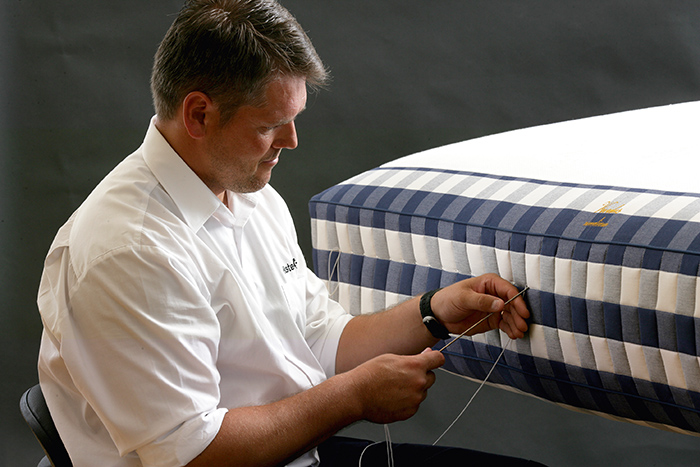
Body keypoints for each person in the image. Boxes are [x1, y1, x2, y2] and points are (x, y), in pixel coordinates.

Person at [36, 1, 544, 466]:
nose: (292, 140)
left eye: (294, 118)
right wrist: (354, 397)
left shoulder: (250, 194)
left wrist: (434, 313)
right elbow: (191, 456)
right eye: (270, 125)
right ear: (198, 114)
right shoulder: (129, 252)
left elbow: (319, 338)